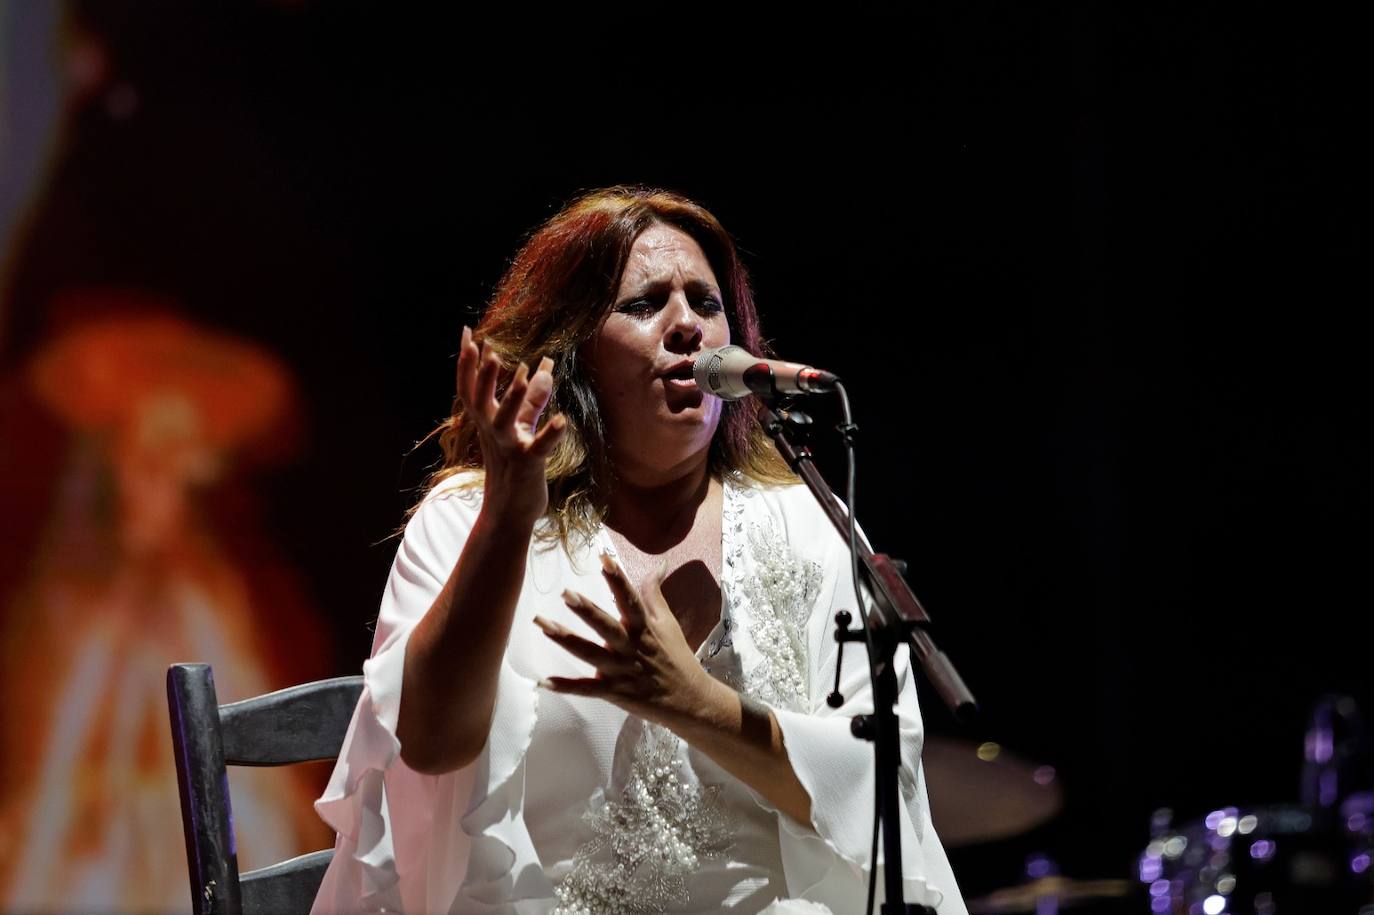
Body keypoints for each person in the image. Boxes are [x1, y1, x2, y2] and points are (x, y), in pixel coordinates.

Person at [311, 187, 966, 914]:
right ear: (572, 349)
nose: (687, 324)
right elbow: (429, 745)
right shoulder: (471, 516)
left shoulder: (807, 519)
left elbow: (878, 786)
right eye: (645, 303)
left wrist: (695, 703)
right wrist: (507, 517)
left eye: (706, 302)